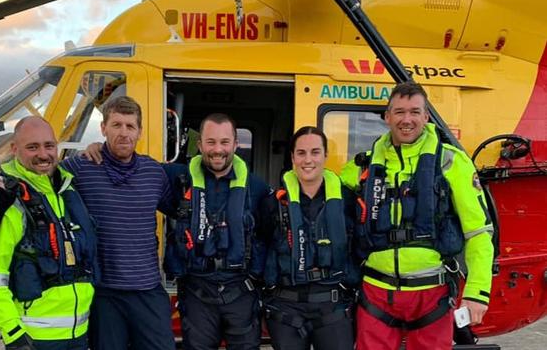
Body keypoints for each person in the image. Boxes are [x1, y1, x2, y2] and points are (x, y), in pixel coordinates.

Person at [0, 96, 176, 350]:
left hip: (147, 289)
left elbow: (180, 207)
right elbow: (37, 173)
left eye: (130, 126)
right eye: (116, 125)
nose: (123, 133)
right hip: (104, 293)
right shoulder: (79, 168)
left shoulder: (154, 173)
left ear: (140, 132)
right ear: (103, 128)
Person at [340, 81, 494, 350]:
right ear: (387, 117)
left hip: (431, 294)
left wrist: (477, 292)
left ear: (426, 116)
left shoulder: (451, 162)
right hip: (376, 293)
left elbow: (478, 232)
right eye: (399, 112)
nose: (406, 120)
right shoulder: (363, 165)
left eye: (414, 112)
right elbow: (323, 189)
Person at [0, 116, 97, 350]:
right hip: (35, 339)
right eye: (32, 147)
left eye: (49, 145)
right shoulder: (6, 201)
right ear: (14, 149)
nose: (43, 154)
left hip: (79, 334)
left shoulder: (67, 191)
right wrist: (13, 333)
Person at [162, 113, 271, 350]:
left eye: (224, 142)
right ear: (200, 144)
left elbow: (270, 237)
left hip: (242, 292)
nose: (217, 149)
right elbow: (133, 168)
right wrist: (99, 149)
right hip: (197, 293)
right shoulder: (178, 180)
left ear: (235, 144)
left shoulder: (258, 188)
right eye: (210, 142)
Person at [258, 126, 356, 350]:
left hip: (333, 304)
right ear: (292, 157)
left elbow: (359, 247)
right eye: (301, 153)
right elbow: (261, 244)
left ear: (325, 156)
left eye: (315, 152)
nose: (308, 160)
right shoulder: (273, 203)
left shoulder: (347, 201)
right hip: (285, 307)